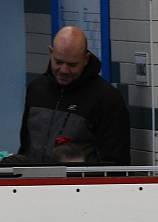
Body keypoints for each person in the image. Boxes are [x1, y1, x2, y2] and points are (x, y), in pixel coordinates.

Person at [16, 26, 130, 165]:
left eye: (72, 64)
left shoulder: (107, 98)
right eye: (58, 62)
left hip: (81, 184)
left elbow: (115, 162)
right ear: (50, 53)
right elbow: (26, 147)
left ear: (86, 59)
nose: (64, 70)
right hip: (35, 183)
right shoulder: (36, 89)